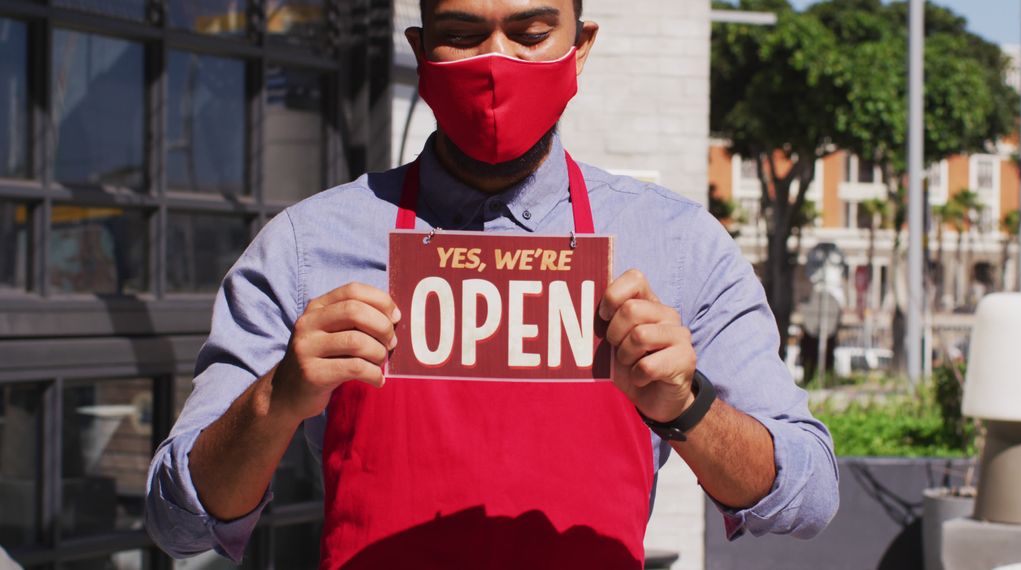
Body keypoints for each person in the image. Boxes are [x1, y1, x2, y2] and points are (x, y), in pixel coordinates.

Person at [145, 0, 839, 567]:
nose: (497, 65)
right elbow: (178, 523)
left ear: (582, 45)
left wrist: (687, 408)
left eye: (532, 35)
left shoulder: (679, 247)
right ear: (421, 50)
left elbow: (809, 494)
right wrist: (278, 397)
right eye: (462, 36)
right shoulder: (306, 247)